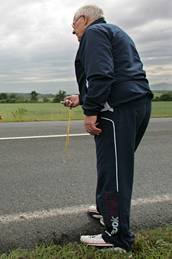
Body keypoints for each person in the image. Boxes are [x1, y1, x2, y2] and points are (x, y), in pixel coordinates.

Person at [64, 5, 153, 252]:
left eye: (74, 26)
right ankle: (106, 209)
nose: (74, 32)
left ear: (83, 19)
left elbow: (101, 75)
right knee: (113, 166)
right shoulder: (115, 32)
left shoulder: (93, 34)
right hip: (135, 104)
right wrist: (83, 97)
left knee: (114, 171)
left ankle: (117, 236)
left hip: (117, 110)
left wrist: (90, 111)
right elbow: (117, 75)